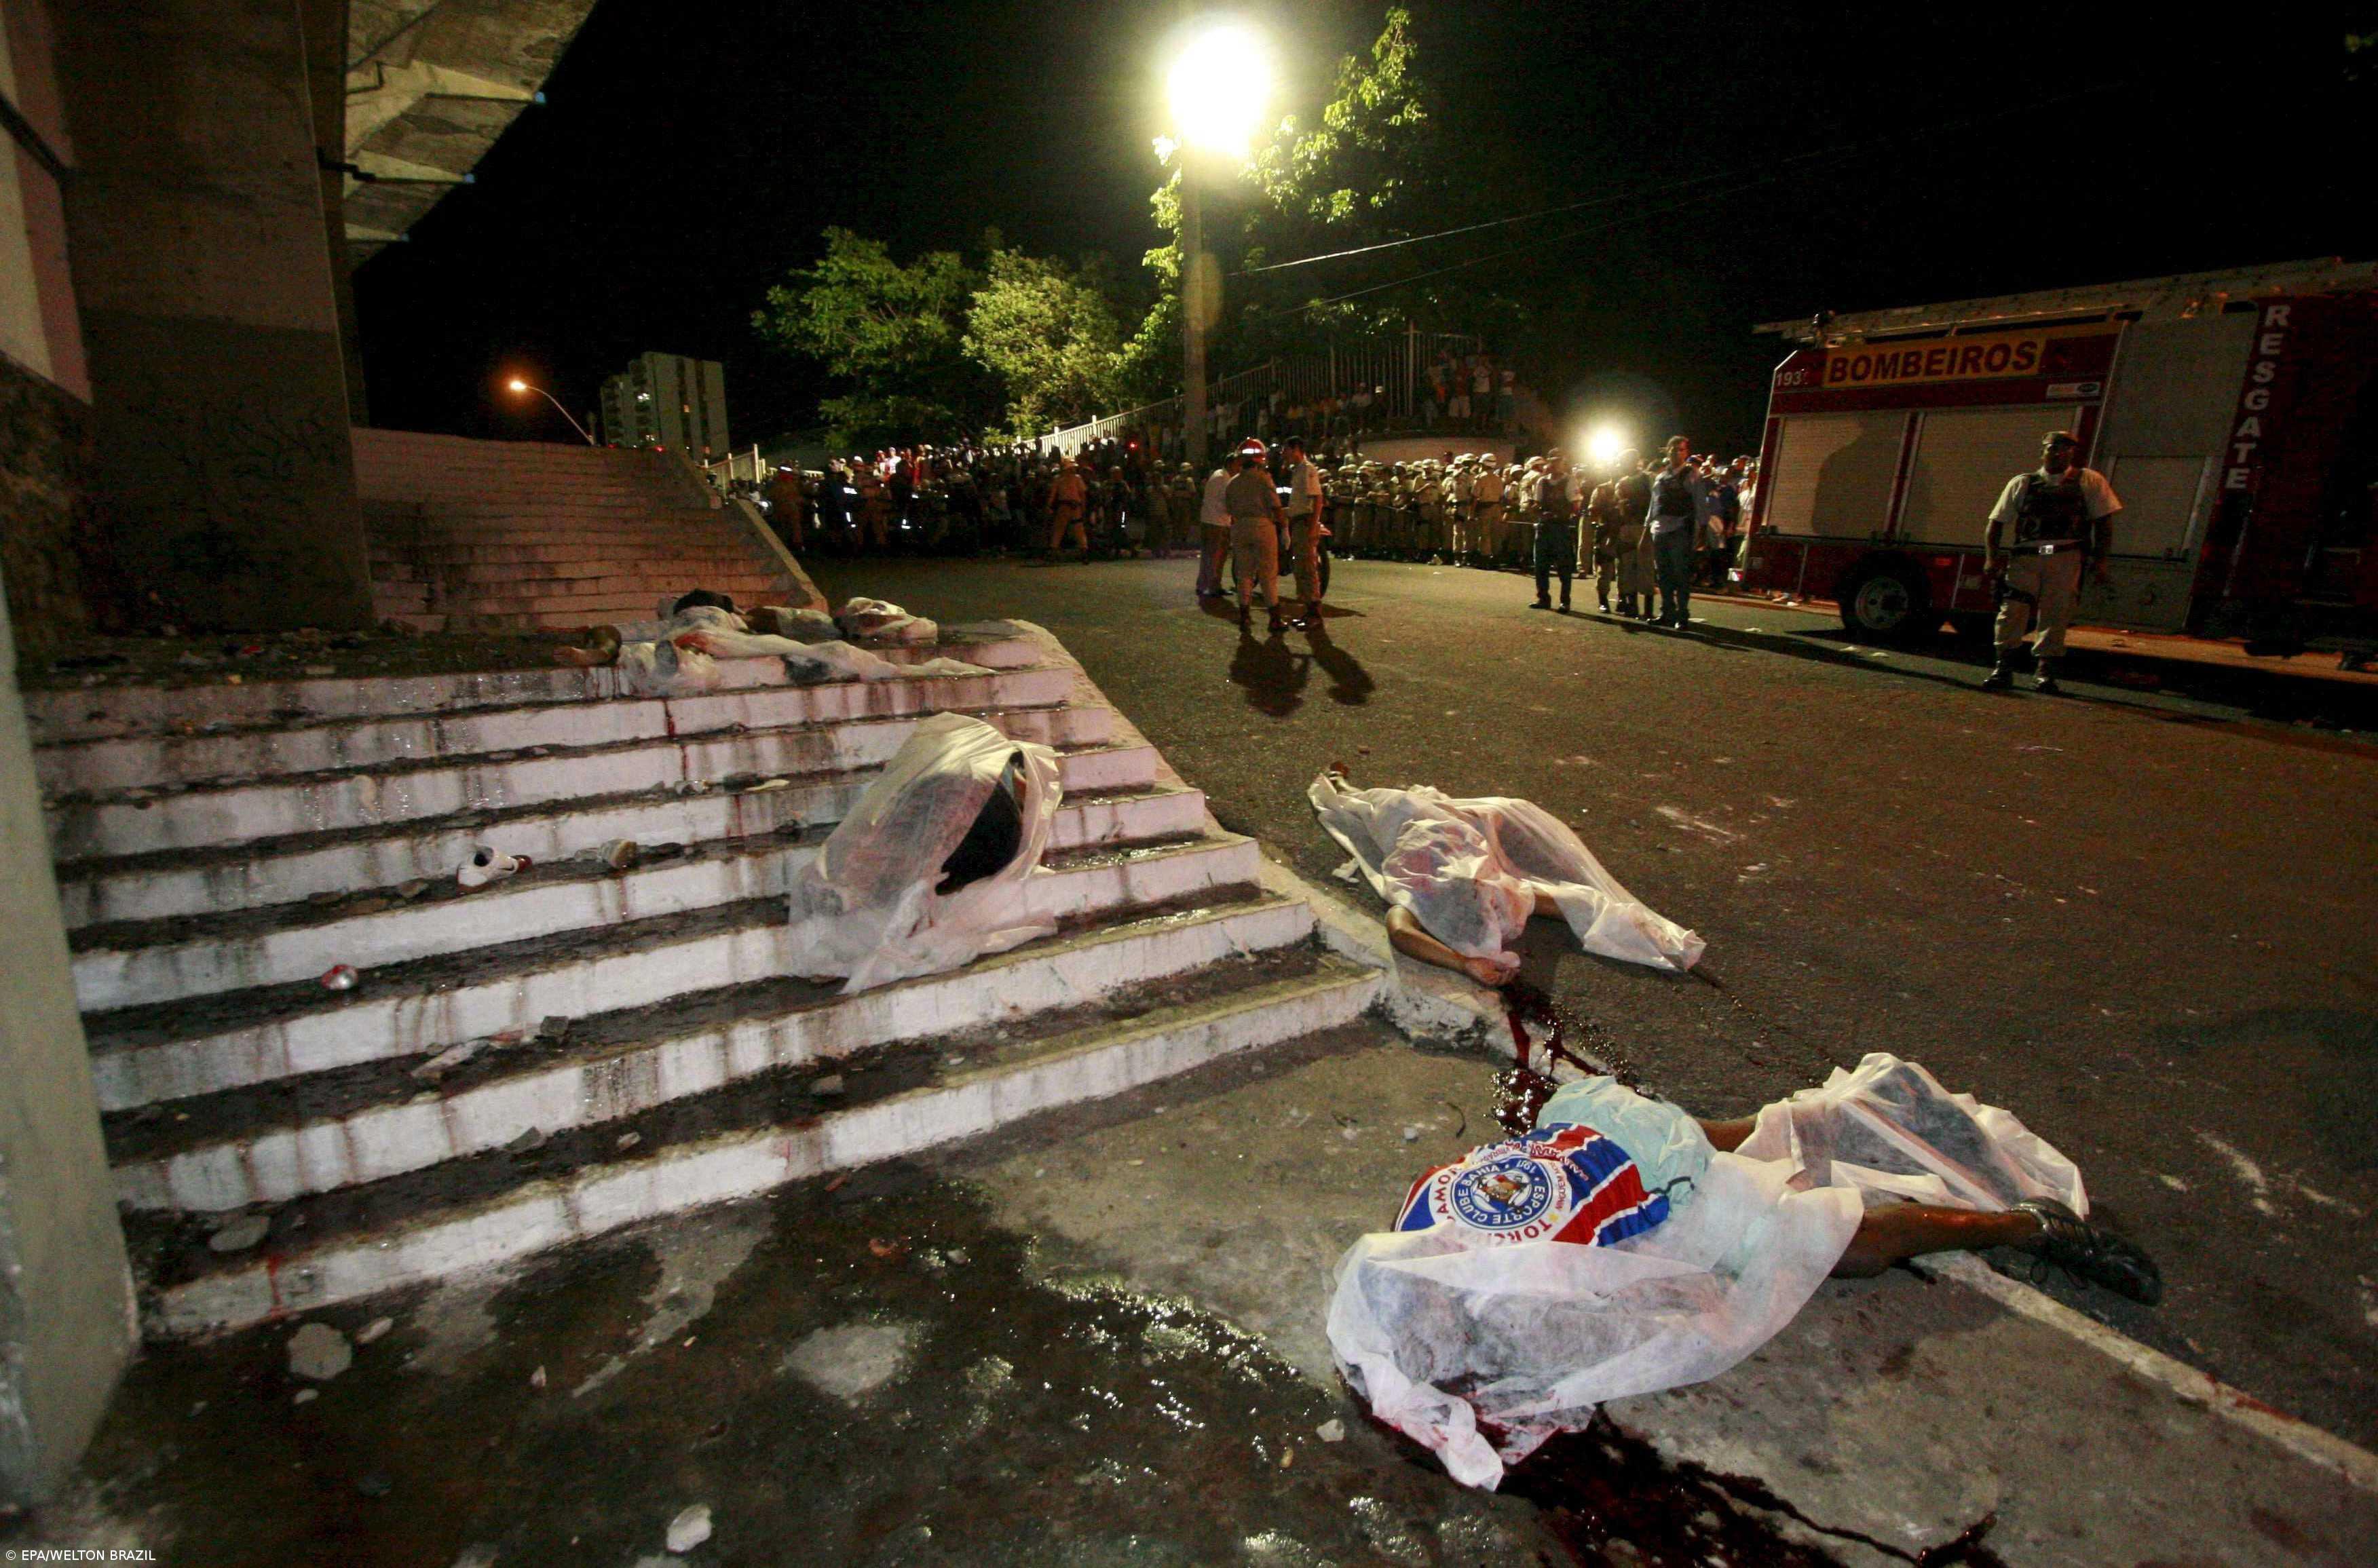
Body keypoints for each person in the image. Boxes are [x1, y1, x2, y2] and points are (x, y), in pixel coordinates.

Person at [1982, 431, 2121, 693]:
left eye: (2065, 449)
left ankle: (2044, 671)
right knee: (2013, 610)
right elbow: (1996, 522)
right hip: (2027, 557)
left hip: (2065, 557)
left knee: (2056, 612)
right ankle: (2003, 667)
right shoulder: (2023, 483)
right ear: (2042, 452)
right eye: (2052, 448)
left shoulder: (2089, 481)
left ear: (2072, 453)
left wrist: (2101, 560)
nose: (2058, 453)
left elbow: (2104, 523)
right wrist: (1991, 557)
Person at [1223, 440, 1287, 634]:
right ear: (1260, 460)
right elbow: (1276, 506)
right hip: (1262, 527)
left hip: (1240, 528)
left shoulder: (1232, 483)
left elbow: (1229, 509)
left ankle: (1244, 617)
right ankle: (1274, 619)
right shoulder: (1264, 479)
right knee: (1268, 574)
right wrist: (1284, 529)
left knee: (1244, 574)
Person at [1647, 436, 1704, 628]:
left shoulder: (1692, 474)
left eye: (1680, 450)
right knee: (1663, 575)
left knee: (1680, 574)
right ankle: (1667, 612)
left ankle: (1682, 615)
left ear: (1686, 453)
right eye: (1673, 449)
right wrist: (1648, 527)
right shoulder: (1661, 476)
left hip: (1680, 529)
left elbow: (1700, 503)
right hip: (1660, 530)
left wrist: (1702, 530)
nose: (1676, 453)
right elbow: (1654, 504)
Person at [1281, 436, 1326, 629]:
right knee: (1300, 567)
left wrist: (1313, 526)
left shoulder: (1307, 469)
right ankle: (1308, 612)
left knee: (1307, 568)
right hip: (1298, 521)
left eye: (1286, 450)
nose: (1284, 454)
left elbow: (1317, 499)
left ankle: (1314, 614)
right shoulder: (1297, 470)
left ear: (1296, 449)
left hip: (1305, 523)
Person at [1530, 448, 1579, 611]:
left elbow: (1575, 505)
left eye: (1558, 461)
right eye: (1553, 461)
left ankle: (1565, 601)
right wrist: (1537, 511)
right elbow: (1537, 503)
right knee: (1541, 565)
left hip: (1561, 527)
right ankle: (1543, 598)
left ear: (1563, 463)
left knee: (1564, 566)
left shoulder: (1570, 481)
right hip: (1544, 526)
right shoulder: (1542, 481)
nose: (1555, 464)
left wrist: (1559, 514)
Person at [1195, 449, 1239, 598]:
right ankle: (1213, 586)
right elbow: (1229, 502)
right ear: (1231, 465)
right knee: (1217, 556)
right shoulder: (1224, 479)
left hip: (1209, 520)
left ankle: (1203, 585)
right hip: (1217, 523)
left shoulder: (1217, 475)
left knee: (1208, 555)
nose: (1239, 469)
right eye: (1238, 465)